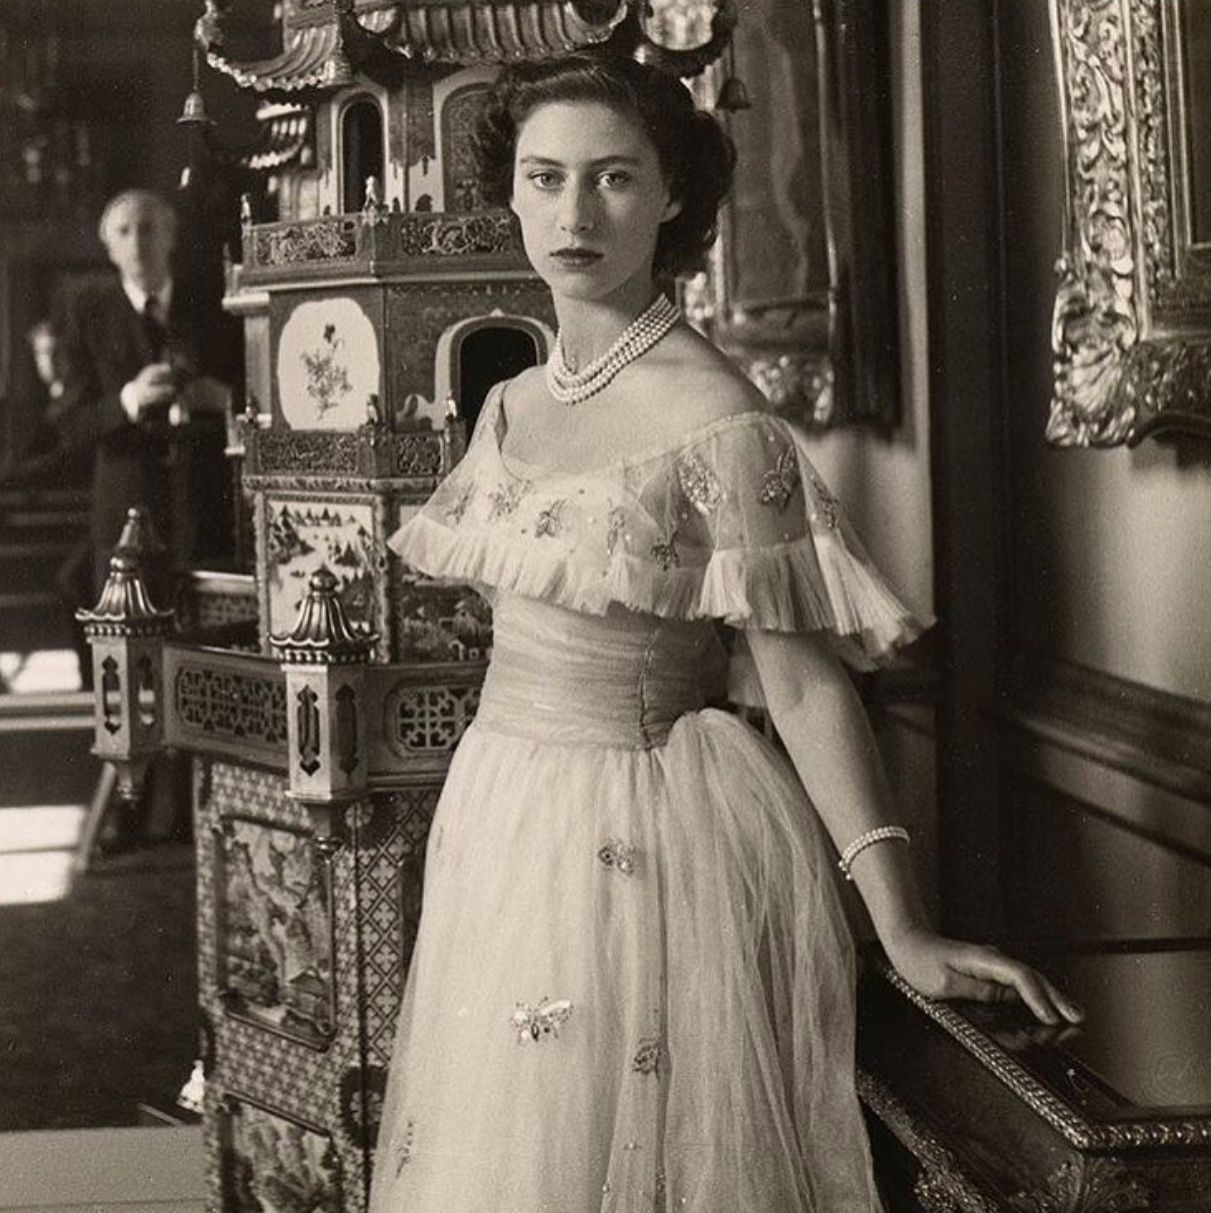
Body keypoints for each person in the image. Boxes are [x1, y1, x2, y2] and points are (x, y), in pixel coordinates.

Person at [372, 54, 1081, 1212]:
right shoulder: (509, 401)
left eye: (612, 178)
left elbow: (801, 688)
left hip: (634, 831)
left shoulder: (719, 419)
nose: (573, 212)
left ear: (670, 198)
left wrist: (900, 924)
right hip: (500, 810)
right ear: (509, 192)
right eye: (545, 177)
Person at [52, 188, 235, 598]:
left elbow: (251, 386)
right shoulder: (88, 313)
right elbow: (69, 424)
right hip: (125, 519)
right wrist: (129, 400)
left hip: (205, 513)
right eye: (124, 232)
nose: (137, 242)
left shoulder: (209, 302)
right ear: (110, 249)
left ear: (170, 238)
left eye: (148, 229)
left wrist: (225, 400)